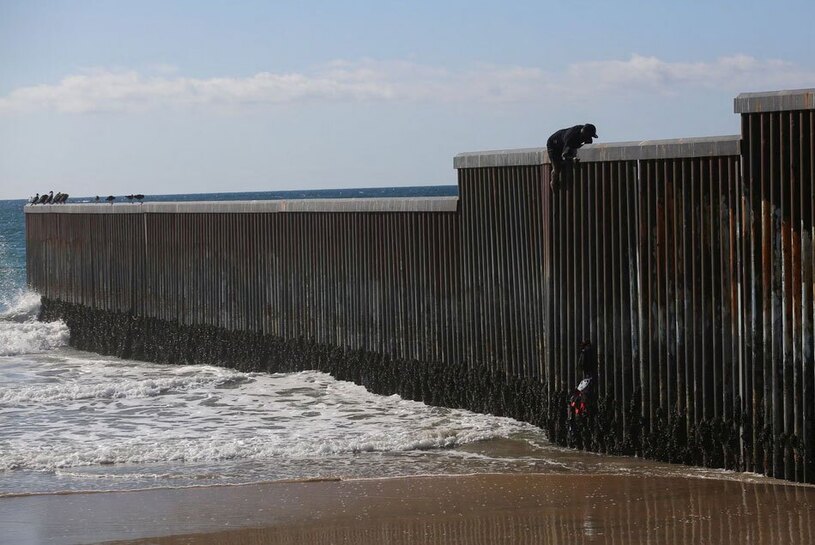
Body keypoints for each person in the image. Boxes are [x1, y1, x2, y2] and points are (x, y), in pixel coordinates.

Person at [546, 124, 598, 190]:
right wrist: (572, 158)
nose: (589, 138)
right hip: (553, 144)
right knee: (557, 167)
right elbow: (564, 155)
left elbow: (587, 146)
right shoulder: (571, 137)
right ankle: (553, 182)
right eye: (589, 136)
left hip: (564, 142)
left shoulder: (586, 134)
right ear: (584, 133)